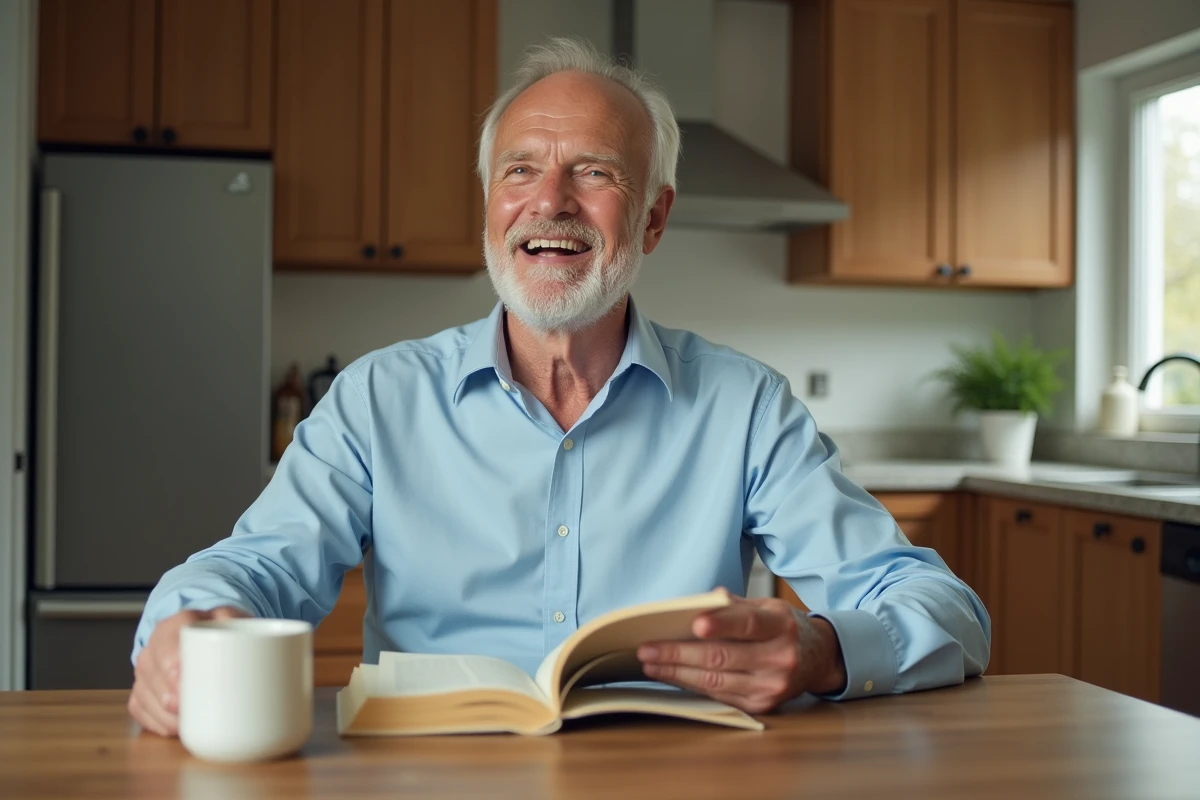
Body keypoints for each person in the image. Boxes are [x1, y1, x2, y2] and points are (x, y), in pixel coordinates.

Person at [128, 38, 990, 736]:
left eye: (596, 172)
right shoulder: (376, 398)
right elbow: (255, 566)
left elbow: (946, 610)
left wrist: (818, 649)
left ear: (653, 216)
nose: (551, 201)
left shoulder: (746, 406)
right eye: (520, 170)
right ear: (487, 207)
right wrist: (188, 626)